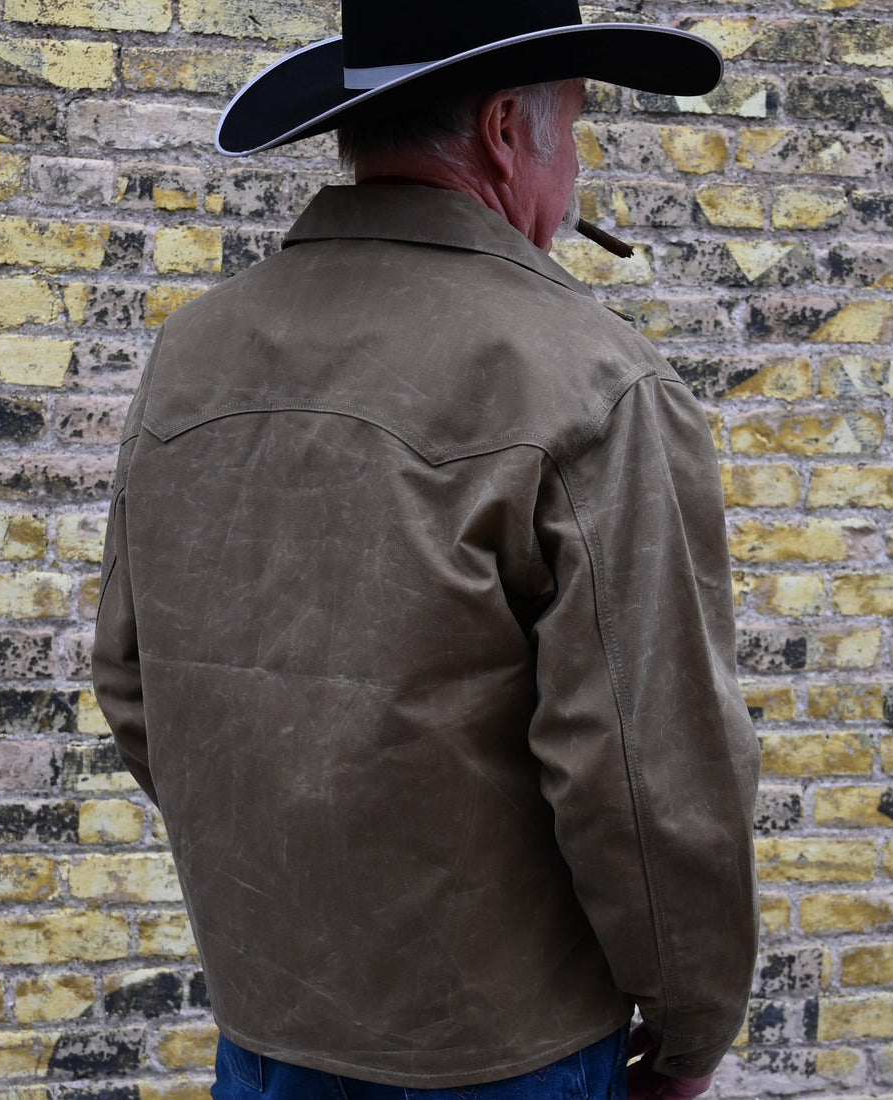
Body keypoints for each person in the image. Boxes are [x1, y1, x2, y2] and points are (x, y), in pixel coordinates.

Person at [92, 2, 761, 1098]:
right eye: (576, 126)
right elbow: (649, 779)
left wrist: (305, 907)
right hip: (506, 1052)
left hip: (267, 1029)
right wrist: (687, 1033)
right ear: (506, 129)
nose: (578, 168)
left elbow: (133, 681)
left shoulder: (192, 350)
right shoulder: (591, 378)